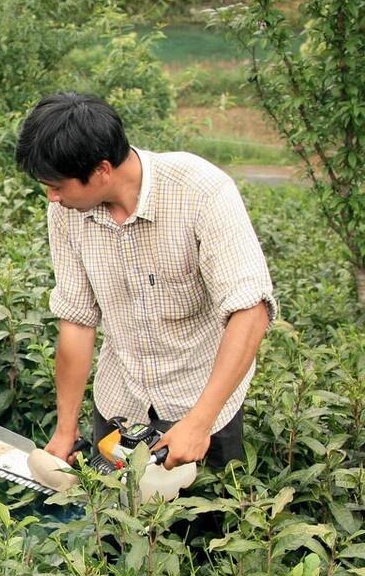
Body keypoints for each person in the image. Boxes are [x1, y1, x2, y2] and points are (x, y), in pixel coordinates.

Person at [15, 92, 276, 475]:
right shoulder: (67, 214)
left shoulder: (200, 191)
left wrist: (200, 423)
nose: (51, 198)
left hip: (202, 405)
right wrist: (65, 430)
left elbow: (250, 311)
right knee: (120, 530)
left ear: (102, 170)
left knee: (204, 532)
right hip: (121, 404)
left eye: (57, 186)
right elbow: (77, 320)